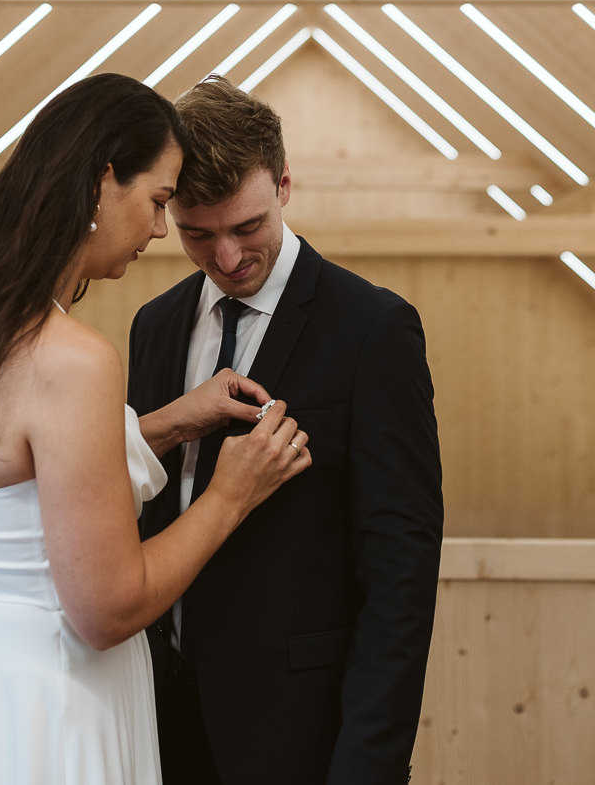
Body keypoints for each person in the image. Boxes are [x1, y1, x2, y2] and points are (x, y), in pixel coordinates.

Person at [0, 73, 310, 784]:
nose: (159, 230)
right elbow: (108, 608)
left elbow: (16, 487)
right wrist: (231, 493)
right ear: (104, 179)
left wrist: (167, 423)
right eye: (159, 201)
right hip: (49, 716)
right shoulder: (75, 359)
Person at [130, 76, 444, 785]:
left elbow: (401, 575)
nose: (228, 258)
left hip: (301, 735)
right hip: (154, 723)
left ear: (284, 184)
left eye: (247, 227)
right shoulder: (154, 326)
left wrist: (367, 767)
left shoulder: (373, 329)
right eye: (197, 234)